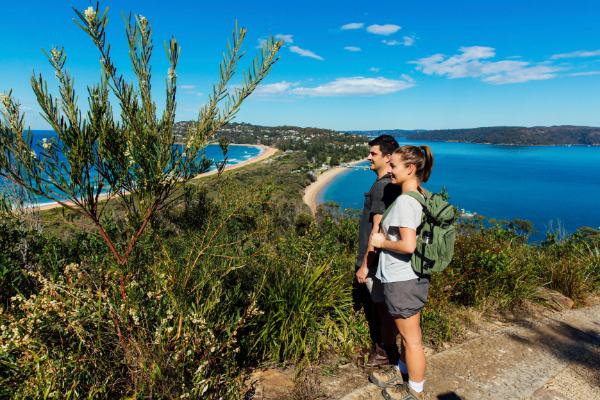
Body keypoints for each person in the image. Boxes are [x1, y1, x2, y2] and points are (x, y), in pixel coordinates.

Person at [368, 145, 434, 400]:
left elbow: (408, 245)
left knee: (411, 339)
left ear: (410, 168)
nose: (390, 170)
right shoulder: (420, 195)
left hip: (403, 279)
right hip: (409, 278)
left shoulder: (407, 201)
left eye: (394, 165)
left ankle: (415, 390)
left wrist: (381, 242)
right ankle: (401, 371)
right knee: (408, 337)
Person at [355, 135, 402, 367]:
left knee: (383, 307)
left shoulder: (382, 187)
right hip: (385, 260)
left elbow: (377, 230)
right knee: (384, 306)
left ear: (388, 157)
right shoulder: (391, 184)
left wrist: (365, 264)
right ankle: (386, 346)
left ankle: (385, 350)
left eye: (373, 154)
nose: (368, 157)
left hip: (376, 262)